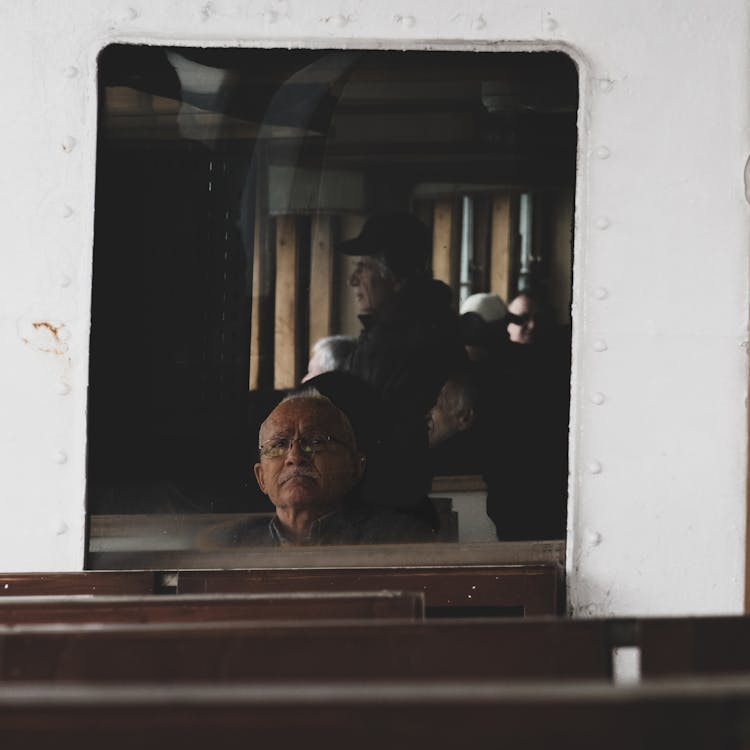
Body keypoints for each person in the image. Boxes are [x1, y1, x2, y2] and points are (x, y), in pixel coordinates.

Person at [337, 212, 466, 520]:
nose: (353, 280)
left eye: (364, 267)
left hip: (384, 497)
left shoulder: (395, 340)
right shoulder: (425, 323)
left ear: (394, 274)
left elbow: (360, 420)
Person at [203, 390, 432, 546]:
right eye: (279, 445)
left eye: (315, 442)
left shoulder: (400, 539)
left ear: (355, 466)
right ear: (261, 477)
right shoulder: (226, 544)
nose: (295, 457)